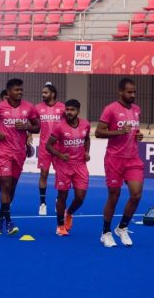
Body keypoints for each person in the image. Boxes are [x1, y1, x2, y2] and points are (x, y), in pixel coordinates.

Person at [0, 78, 40, 236]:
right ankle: (9, 222)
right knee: (6, 184)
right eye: (16, 90)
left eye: (21, 89)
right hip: (3, 152)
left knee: (12, 188)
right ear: (8, 92)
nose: (20, 92)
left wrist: (27, 126)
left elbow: (37, 127)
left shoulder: (29, 108)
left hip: (19, 152)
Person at [95, 78, 144, 247]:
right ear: (121, 92)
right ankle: (106, 232)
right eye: (129, 92)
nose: (133, 95)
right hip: (114, 159)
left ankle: (122, 228)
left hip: (133, 159)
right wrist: (118, 131)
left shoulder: (137, 110)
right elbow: (98, 132)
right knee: (114, 196)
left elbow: (135, 130)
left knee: (136, 194)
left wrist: (139, 135)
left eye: (134, 92)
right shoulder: (110, 109)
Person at [46, 99, 90, 237]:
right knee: (62, 196)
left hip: (80, 165)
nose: (69, 112)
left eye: (72, 110)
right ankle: (60, 225)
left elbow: (87, 139)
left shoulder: (85, 125)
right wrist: (59, 155)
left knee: (80, 197)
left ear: (78, 111)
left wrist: (87, 152)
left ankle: (69, 213)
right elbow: (48, 145)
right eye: (67, 109)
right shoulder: (59, 127)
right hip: (63, 166)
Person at [36, 82, 65, 216]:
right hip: (44, 147)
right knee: (44, 174)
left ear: (52, 94)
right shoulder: (37, 108)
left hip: (59, 147)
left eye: (45, 93)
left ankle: (59, 200)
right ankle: (42, 203)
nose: (43, 95)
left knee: (61, 175)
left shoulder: (63, 108)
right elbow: (33, 124)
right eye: (42, 92)